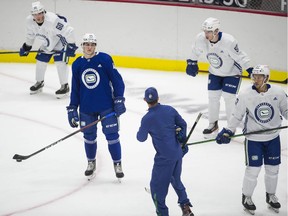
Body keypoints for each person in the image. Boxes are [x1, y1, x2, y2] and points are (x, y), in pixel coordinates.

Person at [216, 65, 288, 214]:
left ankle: (271, 196)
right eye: (254, 76)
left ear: (267, 77)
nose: (256, 79)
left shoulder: (279, 93)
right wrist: (229, 130)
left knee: (273, 170)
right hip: (253, 139)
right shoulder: (245, 94)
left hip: (273, 137)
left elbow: (286, 110)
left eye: (260, 76)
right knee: (253, 170)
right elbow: (237, 115)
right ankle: (247, 197)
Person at [66, 33, 126, 180]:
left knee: (112, 136)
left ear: (95, 46)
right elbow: (76, 88)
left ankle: (117, 164)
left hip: (106, 106)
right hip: (86, 108)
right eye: (86, 44)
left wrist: (119, 99)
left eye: (92, 44)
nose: (89, 47)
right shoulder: (77, 64)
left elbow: (117, 80)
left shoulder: (105, 59)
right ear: (82, 46)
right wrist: (73, 107)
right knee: (89, 137)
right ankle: (91, 162)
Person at [186, 17, 253, 138]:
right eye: (205, 31)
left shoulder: (229, 41)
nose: (206, 34)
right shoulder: (201, 38)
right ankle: (212, 125)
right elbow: (195, 51)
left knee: (229, 98)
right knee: (212, 97)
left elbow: (240, 56)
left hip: (232, 73)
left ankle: (230, 128)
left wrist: (249, 69)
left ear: (216, 31)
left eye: (209, 32)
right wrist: (192, 62)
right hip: (214, 72)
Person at [137, 87, 194, 216]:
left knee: (156, 189)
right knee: (175, 179)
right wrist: (182, 140)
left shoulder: (147, 118)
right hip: (177, 153)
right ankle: (185, 206)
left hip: (164, 158)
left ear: (145, 100)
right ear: (158, 98)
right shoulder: (170, 110)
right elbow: (183, 124)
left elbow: (141, 138)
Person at [19, 1, 77, 98]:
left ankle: (64, 86)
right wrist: (27, 47)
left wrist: (71, 45)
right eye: (35, 14)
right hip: (47, 42)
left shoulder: (53, 20)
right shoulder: (29, 21)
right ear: (32, 15)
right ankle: (39, 83)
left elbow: (69, 31)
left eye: (40, 13)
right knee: (40, 61)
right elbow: (30, 35)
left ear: (44, 12)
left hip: (60, 40)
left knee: (60, 62)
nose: (38, 16)